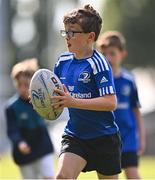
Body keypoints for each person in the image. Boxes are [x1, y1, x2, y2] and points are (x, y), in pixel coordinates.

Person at [51, 5, 121, 179]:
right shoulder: (62, 62)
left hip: (105, 138)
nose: (67, 37)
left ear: (90, 36)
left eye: (73, 32)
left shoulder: (99, 64)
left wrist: (73, 101)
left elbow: (110, 102)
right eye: (65, 32)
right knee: (62, 177)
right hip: (75, 136)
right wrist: (41, 98)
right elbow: (56, 95)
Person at [96, 31, 145, 179]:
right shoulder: (99, 81)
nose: (108, 58)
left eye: (112, 53)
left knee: (133, 175)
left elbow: (136, 110)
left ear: (122, 54)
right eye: (104, 54)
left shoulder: (129, 81)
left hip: (128, 139)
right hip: (108, 139)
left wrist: (141, 138)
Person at [5, 58, 55, 179]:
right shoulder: (12, 107)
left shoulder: (42, 102)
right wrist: (19, 142)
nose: (23, 88)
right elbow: (12, 130)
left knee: (49, 176)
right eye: (19, 85)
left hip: (42, 144)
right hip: (24, 150)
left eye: (26, 85)